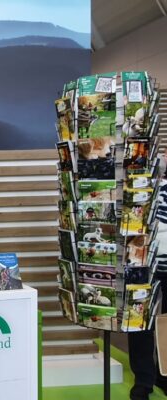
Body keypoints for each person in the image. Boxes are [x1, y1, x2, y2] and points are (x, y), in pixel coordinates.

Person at [128, 150, 167, 400]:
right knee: (139, 321)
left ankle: (164, 375)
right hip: (143, 262)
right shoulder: (145, 184)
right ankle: (143, 379)